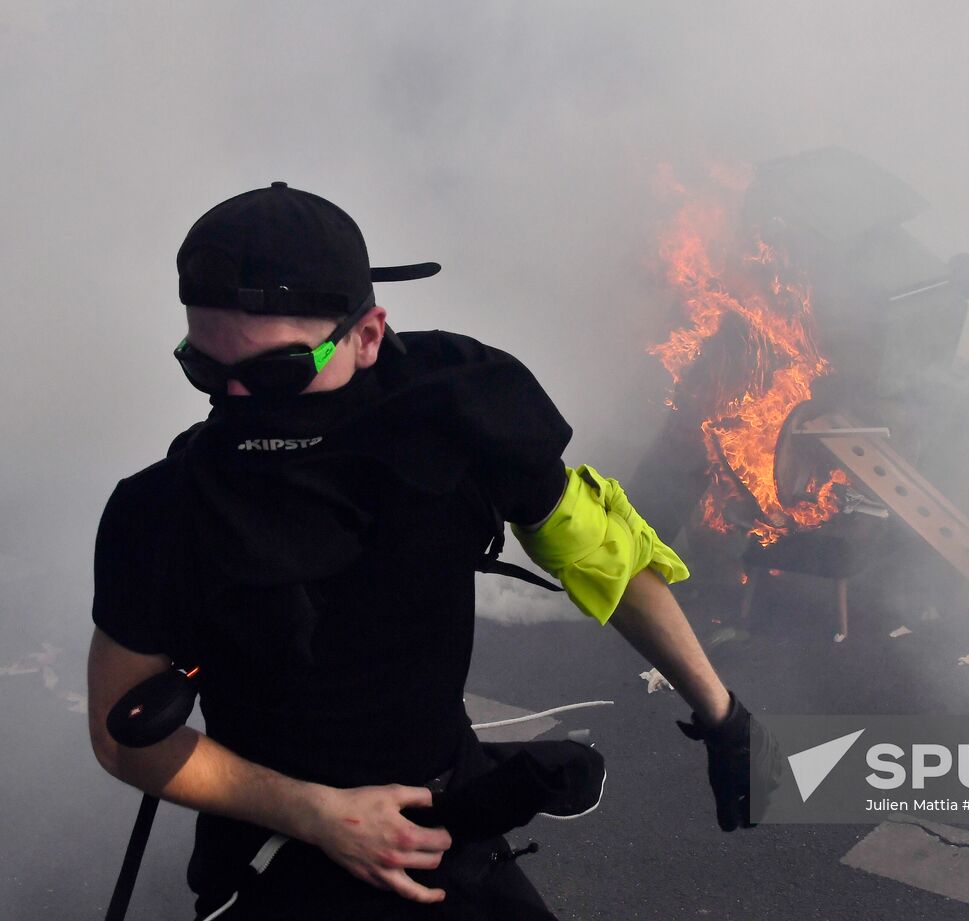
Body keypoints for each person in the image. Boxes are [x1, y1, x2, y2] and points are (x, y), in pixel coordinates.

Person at [86, 181, 775, 920]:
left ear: (368, 334)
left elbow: (602, 555)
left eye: (277, 371)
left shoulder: (462, 417)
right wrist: (315, 813)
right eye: (205, 370)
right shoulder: (164, 509)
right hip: (277, 851)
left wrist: (721, 710)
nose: (240, 400)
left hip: (449, 825)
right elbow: (121, 735)